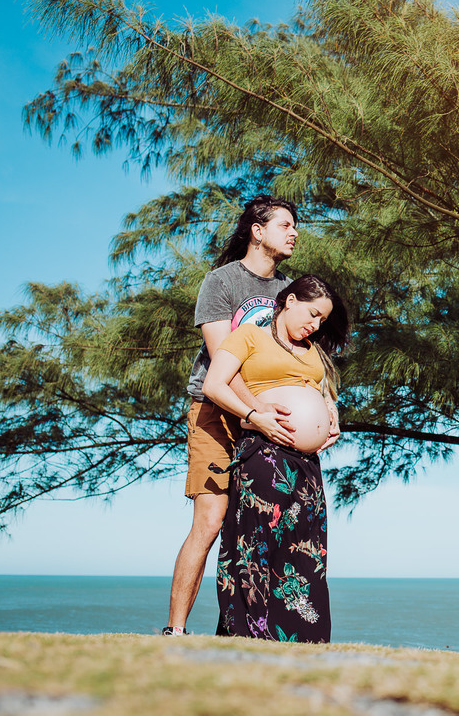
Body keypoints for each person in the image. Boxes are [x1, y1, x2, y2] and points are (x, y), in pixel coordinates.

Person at [164, 195, 309, 636]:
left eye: (295, 226)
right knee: (209, 522)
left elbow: (299, 356)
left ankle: (248, 630)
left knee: (260, 526)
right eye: (285, 224)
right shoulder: (221, 282)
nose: (294, 232)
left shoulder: (289, 293)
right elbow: (219, 360)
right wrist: (254, 412)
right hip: (216, 412)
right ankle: (175, 633)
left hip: (266, 419)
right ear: (257, 230)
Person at [202, 274, 349, 643]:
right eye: (312, 314)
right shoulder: (249, 336)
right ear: (290, 301)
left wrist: (331, 416)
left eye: (322, 321)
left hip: (305, 464)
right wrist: (255, 417)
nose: (315, 325)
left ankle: (304, 639)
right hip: (265, 452)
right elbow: (214, 385)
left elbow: (319, 389)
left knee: (306, 549)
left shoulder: (313, 349)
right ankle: (253, 635)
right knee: (258, 546)